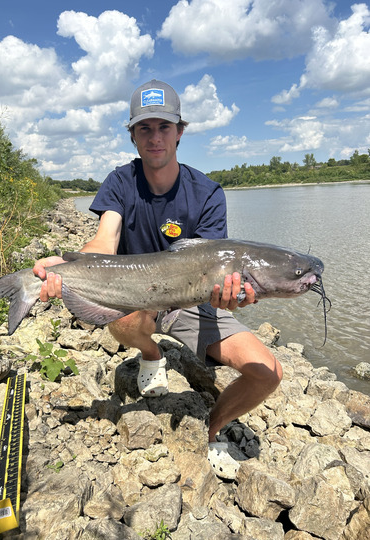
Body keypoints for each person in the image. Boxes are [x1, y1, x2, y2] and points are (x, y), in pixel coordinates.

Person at [33, 80, 282, 479]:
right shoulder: (120, 182)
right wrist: (64, 264)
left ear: (180, 131)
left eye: (164, 127)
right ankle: (152, 356)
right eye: (144, 128)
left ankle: (212, 428)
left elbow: (217, 273)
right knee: (125, 317)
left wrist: (230, 296)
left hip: (193, 303)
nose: (155, 138)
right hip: (137, 298)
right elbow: (104, 239)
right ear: (132, 135)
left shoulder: (208, 193)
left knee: (268, 372)